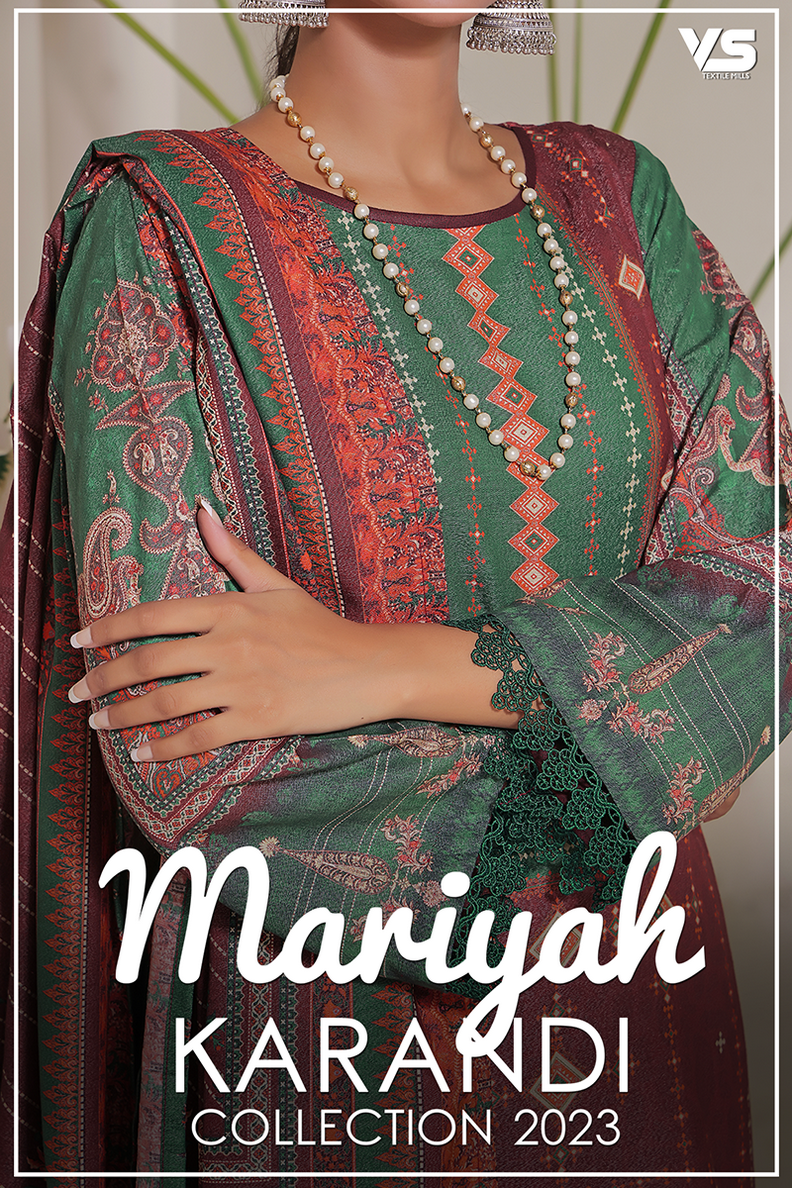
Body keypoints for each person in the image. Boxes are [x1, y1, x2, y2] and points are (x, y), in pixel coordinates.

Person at [3, 1, 788, 1181]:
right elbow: (180, 743)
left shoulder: (622, 202)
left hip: (629, 1013)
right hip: (316, 1031)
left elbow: (764, 592)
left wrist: (374, 666)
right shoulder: (159, 223)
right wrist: (629, 752)